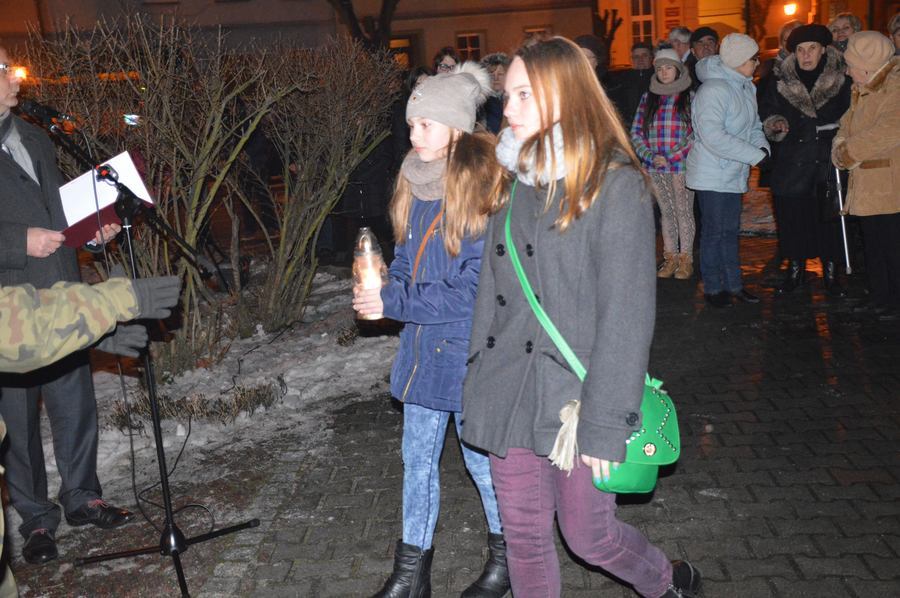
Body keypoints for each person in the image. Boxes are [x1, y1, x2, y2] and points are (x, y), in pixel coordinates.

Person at [460, 36, 702, 598]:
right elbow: (490, 295)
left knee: (589, 537)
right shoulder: (510, 179)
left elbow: (626, 316)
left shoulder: (614, 184)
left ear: (565, 94)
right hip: (510, 389)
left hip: (577, 397)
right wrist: (477, 381)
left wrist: (605, 421)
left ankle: (666, 583)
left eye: (524, 93)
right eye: (507, 94)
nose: (508, 107)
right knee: (523, 539)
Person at [353, 63, 510, 598]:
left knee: (481, 465)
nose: (414, 134)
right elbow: (404, 262)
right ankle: (410, 575)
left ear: (457, 129)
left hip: (465, 356)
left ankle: (506, 561)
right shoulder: (414, 183)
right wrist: (383, 289)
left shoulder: (479, 192)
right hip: (421, 350)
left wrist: (396, 300)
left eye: (425, 124)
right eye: (412, 124)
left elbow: (472, 292)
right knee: (416, 463)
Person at [0, 46, 134, 566]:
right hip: (11, 308)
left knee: (75, 402)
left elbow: (57, 210)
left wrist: (91, 233)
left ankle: (82, 496)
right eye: (6, 69)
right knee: (16, 419)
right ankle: (35, 519)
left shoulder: (35, 136)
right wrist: (17, 242)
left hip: (62, 290)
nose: (17, 77)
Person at [759, 24, 852, 296]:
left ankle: (831, 274)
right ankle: (795, 271)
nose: (806, 55)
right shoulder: (780, 81)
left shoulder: (841, 79)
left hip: (826, 161)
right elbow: (767, 110)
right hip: (792, 162)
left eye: (812, 48)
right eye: (800, 50)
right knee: (793, 219)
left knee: (830, 220)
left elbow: (850, 115)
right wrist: (775, 123)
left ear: (823, 50)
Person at [686, 33, 770, 308]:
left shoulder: (745, 87)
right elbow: (712, 136)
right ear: (738, 61)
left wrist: (763, 148)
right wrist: (754, 156)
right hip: (712, 173)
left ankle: (734, 284)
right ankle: (713, 287)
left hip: (733, 171)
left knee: (730, 231)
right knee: (714, 232)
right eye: (753, 59)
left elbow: (753, 125)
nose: (757, 63)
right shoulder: (713, 90)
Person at [832, 32, 900, 319]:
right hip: (868, 183)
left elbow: (888, 130)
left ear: (868, 67)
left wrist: (848, 152)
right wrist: (840, 141)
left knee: (891, 245)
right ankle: (880, 295)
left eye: (851, 65)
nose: (847, 71)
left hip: (888, 183)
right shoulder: (863, 87)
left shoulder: (894, 88)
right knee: (873, 244)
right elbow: (847, 122)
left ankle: (894, 300)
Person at [631, 48, 695, 280]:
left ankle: (686, 259)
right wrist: (649, 156)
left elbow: (694, 134)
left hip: (680, 166)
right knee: (666, 212)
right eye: (659, 68)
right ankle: (670, 257)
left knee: (683, 211)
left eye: (668, 68)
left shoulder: (689, 97)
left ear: (678, 70)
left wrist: (672, 156)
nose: (664, 72)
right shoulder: (648, 98)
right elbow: (636, 131)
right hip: (655, 166)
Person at [607, 41, 655, 129]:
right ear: (631, 59)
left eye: (644, 55)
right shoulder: (622, 79)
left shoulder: (658, 78)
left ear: (651, 58)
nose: (640, 59)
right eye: (636, 57)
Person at [756, 20, 804, 101]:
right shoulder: (770, 67)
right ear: (781, 43)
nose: (789, 43)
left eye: (794, 39)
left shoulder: (813, 65)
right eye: (786, 40)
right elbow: (763, 99)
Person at [480, 52, 510, 134]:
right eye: (491, 74)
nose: (496, 78)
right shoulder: (480, 102)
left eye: (500, 74)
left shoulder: (514, 99)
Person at [685, 26, 719, 90]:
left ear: (716, 47)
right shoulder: (686, 78)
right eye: (700, 43)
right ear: (693, 51)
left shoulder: (728, 70)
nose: (706, 46)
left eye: (710, 42)